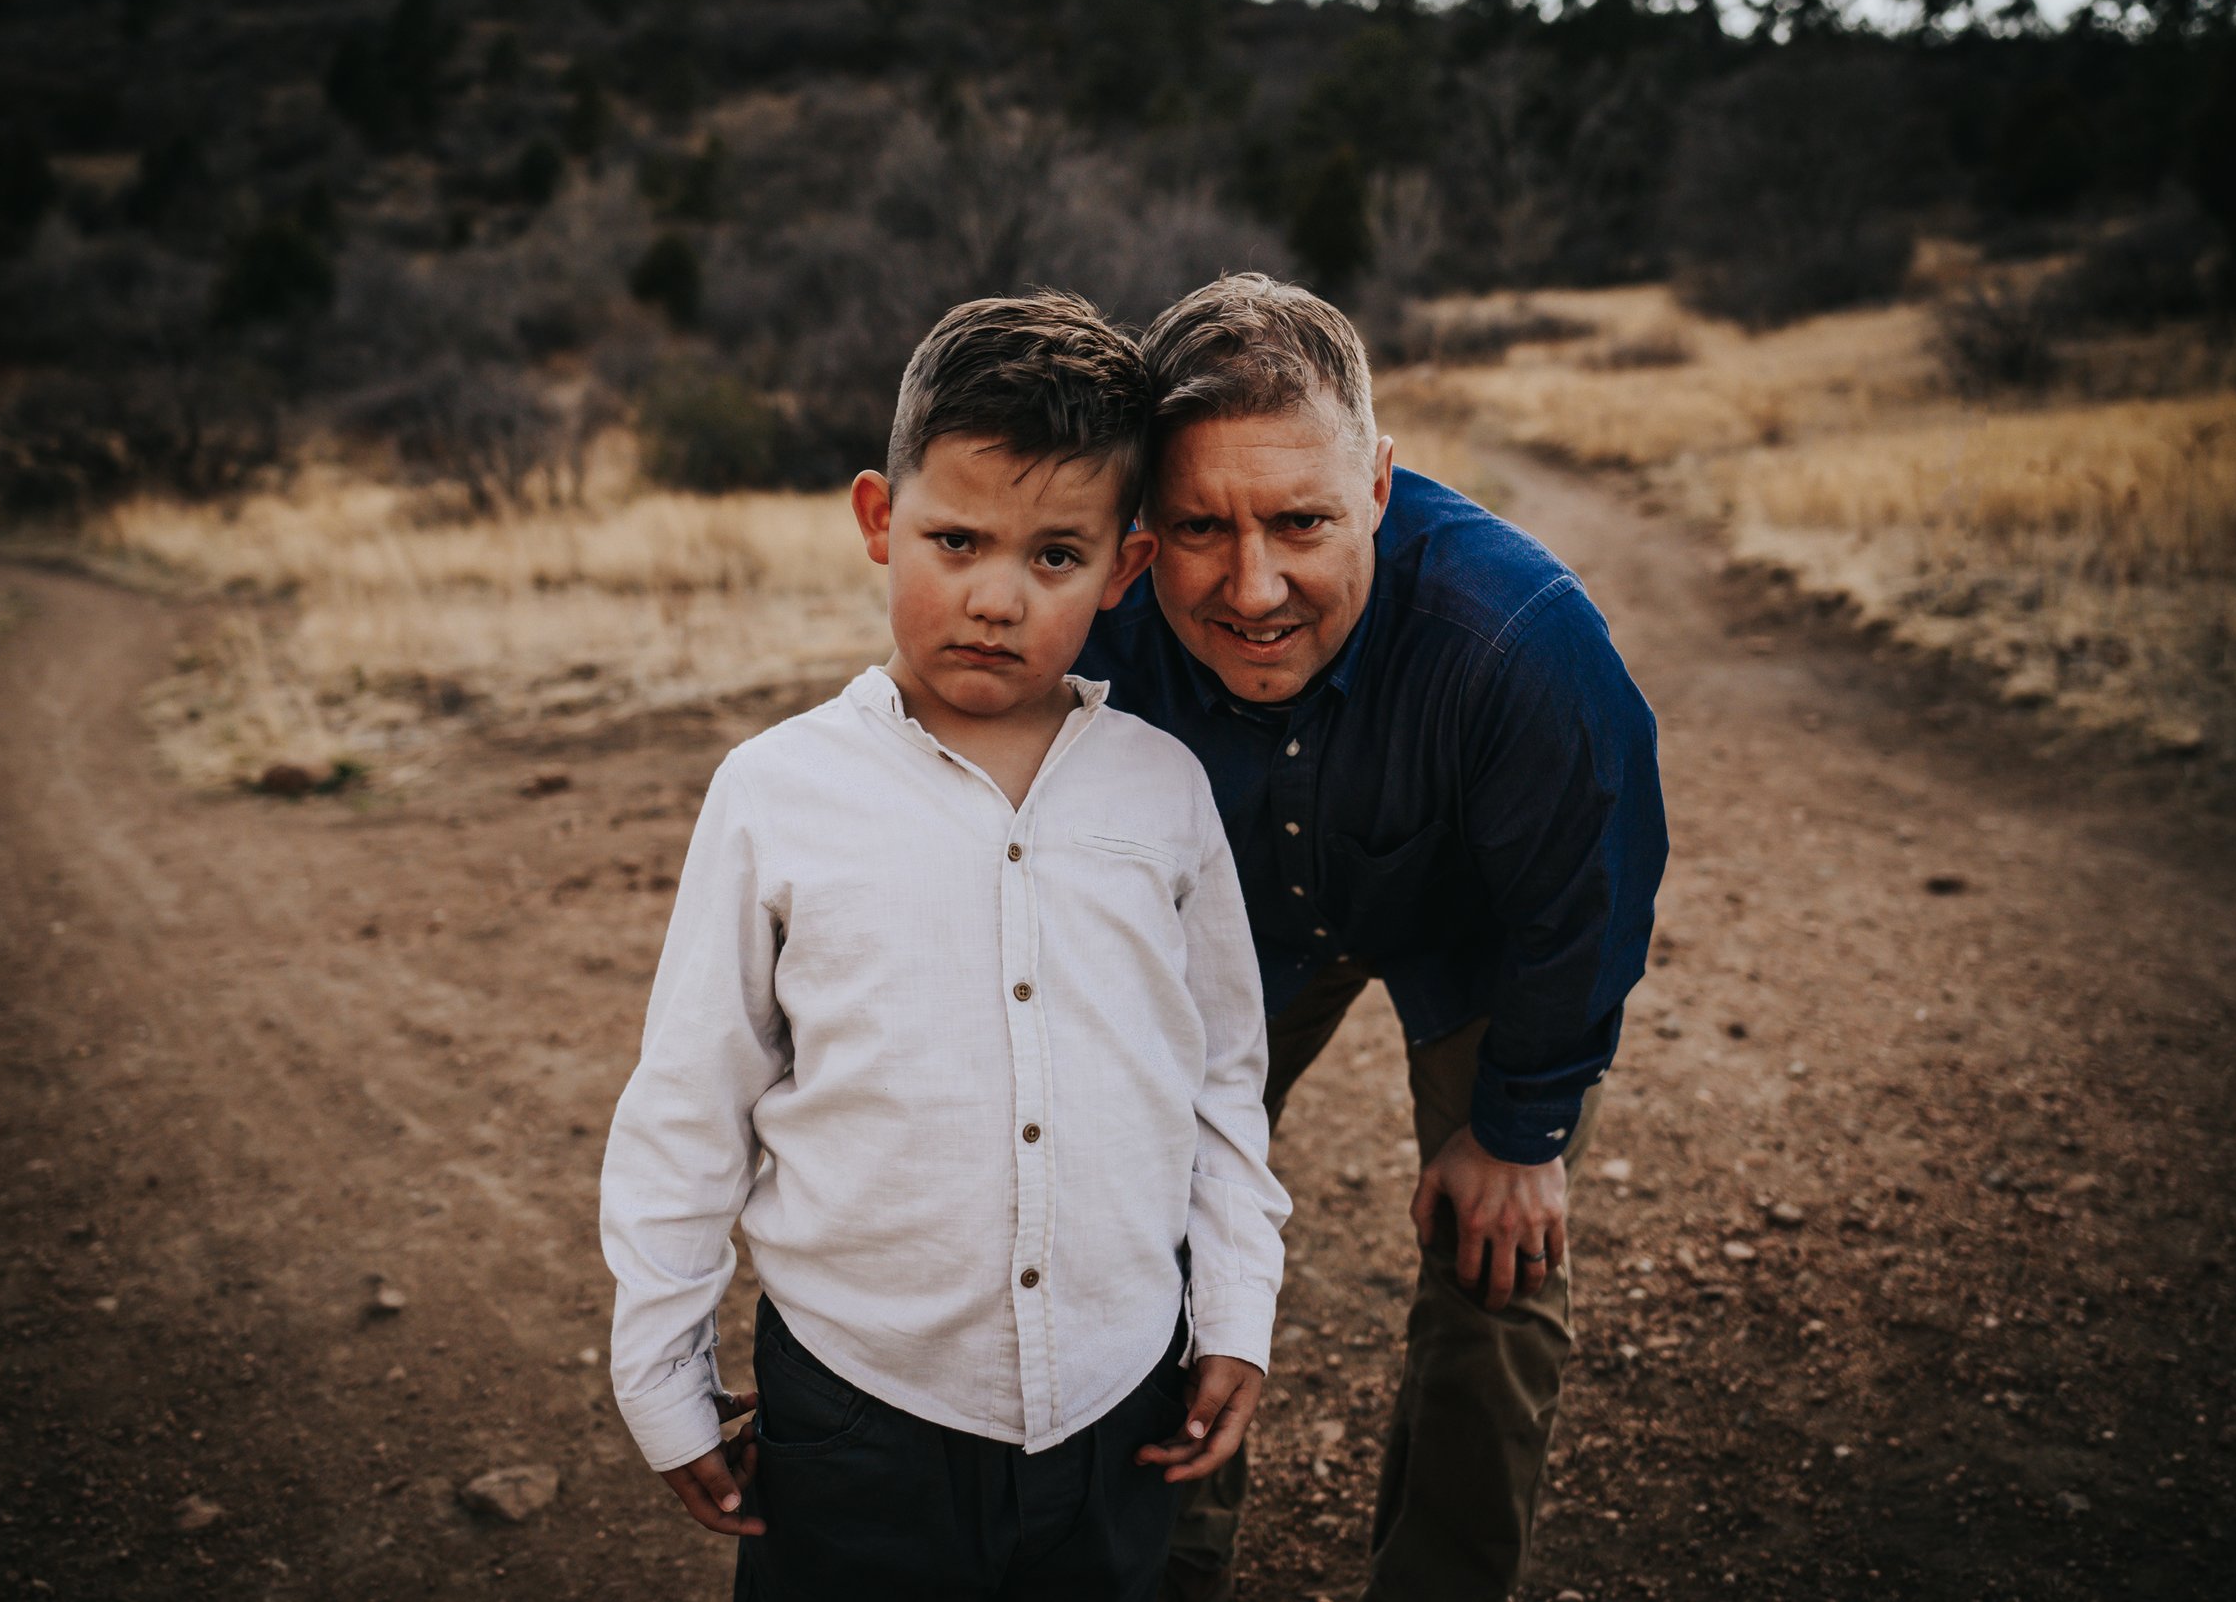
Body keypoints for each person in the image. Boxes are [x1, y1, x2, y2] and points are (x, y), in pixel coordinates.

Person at [598, 290, 1291, 1602]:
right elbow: (693, 1096)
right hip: (862, 1417)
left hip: (1115, 1407)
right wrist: (660, 1367)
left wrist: (1237, 1310)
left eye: (1055, 556)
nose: (995, 598)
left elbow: (1219, 1086)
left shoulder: (1164, 792)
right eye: (956, 538)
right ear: (878, 519)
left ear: (1123, 569)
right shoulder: (775, 791)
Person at [1076, 274, 1669, 1602]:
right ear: (1136, 528)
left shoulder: (1521, 641)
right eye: (1197, 528)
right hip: (1221, 944)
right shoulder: (1089, 631)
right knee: (1137, 1226)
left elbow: (1586, 900)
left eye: (1303, 521)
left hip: (1466, 930)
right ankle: (1157, 1568)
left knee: (1500, 1263)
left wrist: (1520, 1134)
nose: (1254, 585)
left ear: (1381, 489)